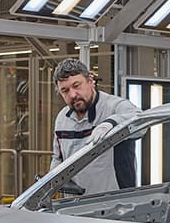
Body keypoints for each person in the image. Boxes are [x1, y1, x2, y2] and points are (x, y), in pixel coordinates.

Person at [51, 58, 140, 194]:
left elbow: (139, 122)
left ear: (90, 81)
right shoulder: (62, 118)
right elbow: (58, 158)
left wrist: (110, 123)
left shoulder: (115, 106)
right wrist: (52, 181)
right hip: (74, 202)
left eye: (76, 85)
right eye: (65, 90)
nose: (73, 95)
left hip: (115, 201)